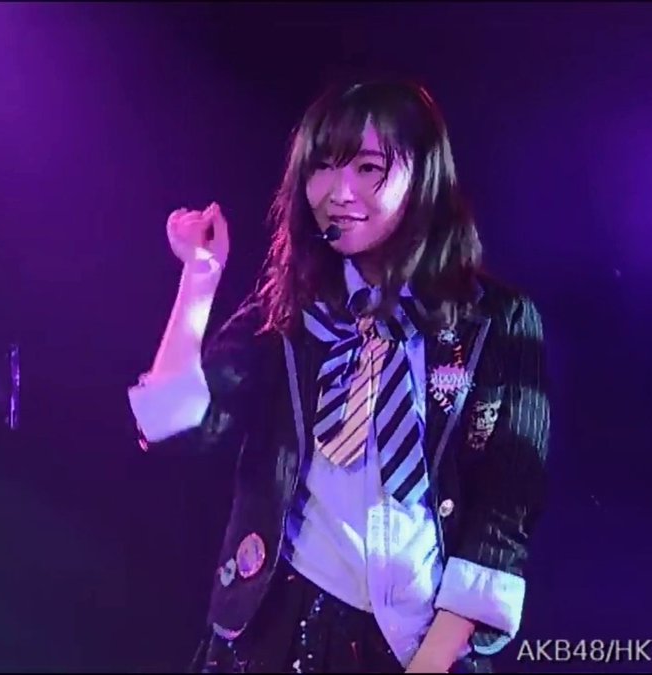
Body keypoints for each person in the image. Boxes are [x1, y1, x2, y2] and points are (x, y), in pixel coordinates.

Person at [127, 79, 550, 674]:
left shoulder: (498, 322)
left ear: (424, 176)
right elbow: (176, 427)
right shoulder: (291, 311)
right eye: (321, 168)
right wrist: (199, 275)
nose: (337, 192)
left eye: (368, 167)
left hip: (422, 642)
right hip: (276, 633)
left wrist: (430, 664)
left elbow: (504, 510)